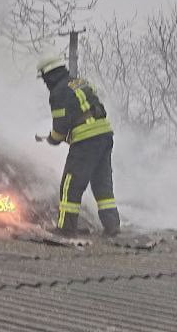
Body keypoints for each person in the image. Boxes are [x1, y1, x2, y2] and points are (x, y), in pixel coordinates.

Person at [35, 54, 120, 236]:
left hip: (87, 139)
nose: (44, 83)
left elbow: (59, 128)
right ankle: (112, 226)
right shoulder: (79, 82)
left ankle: (66, 228)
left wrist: (52, 139)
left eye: (43, 78)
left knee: (70, 184)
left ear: (48, 74)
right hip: (104, 135)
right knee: (102, 183)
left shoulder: (58, 92)